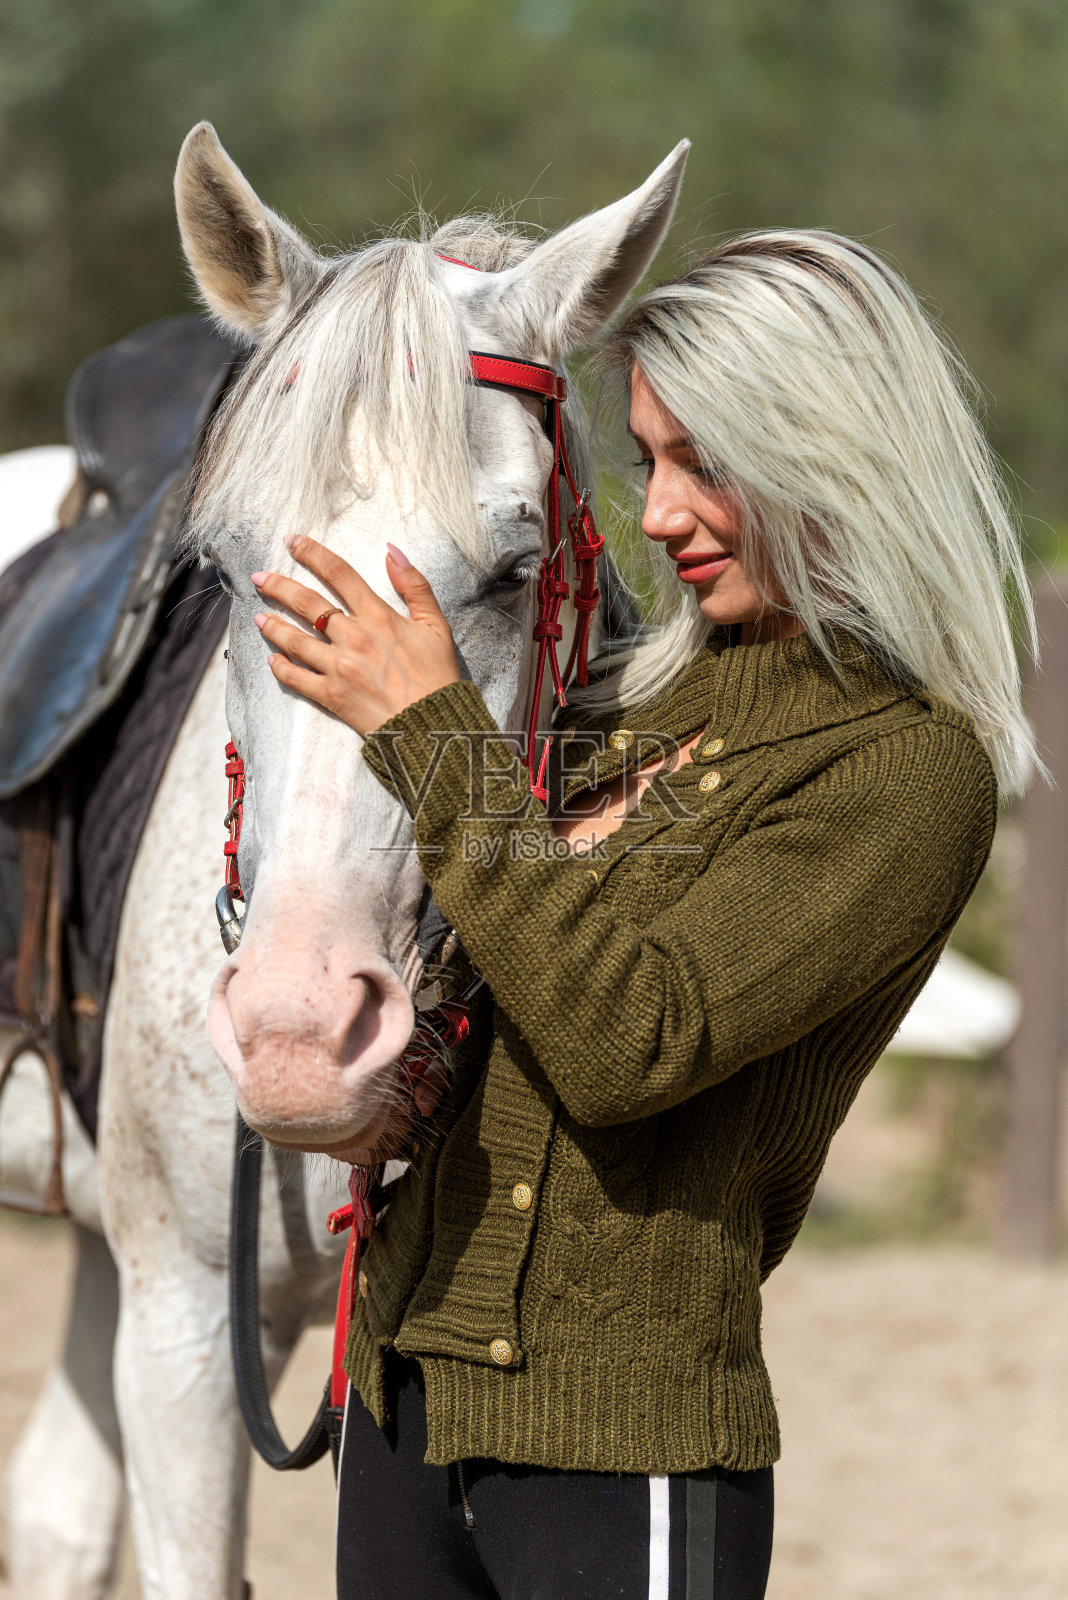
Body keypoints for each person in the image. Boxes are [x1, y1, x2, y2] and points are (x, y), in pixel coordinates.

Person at [250, 230, 1035, 1599]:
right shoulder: (617, 702)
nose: (657, 513)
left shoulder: (908, 769)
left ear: (836, 452)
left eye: (705, 463)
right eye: (649, 457)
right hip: (397, 1398)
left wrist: (433, 736)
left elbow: (633, 1043)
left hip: (623, 1452)